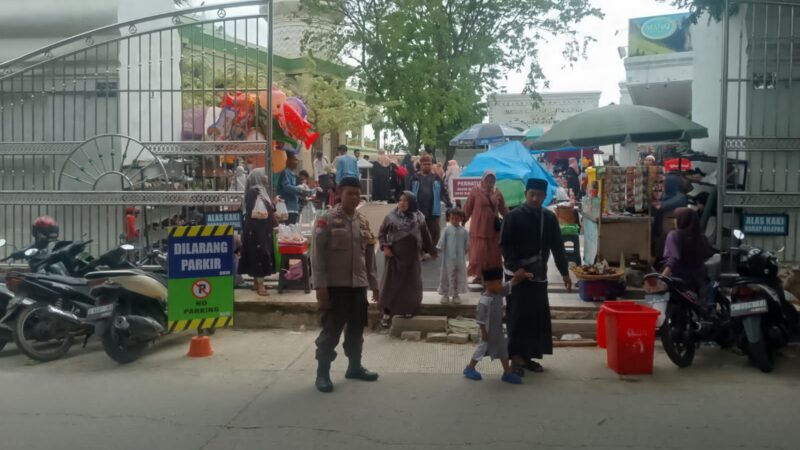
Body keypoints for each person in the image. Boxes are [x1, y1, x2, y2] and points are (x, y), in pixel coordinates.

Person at [312, 177, 380, 393]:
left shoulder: (362, 221)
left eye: (357, 194)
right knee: (331, 331)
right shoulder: (327, 219)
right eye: (350, 193)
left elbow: (368, 256)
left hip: (358, 285)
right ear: (340, 193)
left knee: (356, 329)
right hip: (335, 286)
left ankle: (354, 367)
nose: (354, 197)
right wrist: (320, 285)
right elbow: (317, 254)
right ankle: (322, 373)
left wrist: (374, 284)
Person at [501, 178, 573, 375]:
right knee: (517, 317)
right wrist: (516, 268)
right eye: (531, 194)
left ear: (544, 196)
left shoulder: (549, 218)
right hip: (517, 276)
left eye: (539, 195)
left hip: (538, 275)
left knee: (535, 318)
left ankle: (528, 357)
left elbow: (558, 247)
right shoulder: (513, 217)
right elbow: (505, 246)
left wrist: (565, 273)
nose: (534, 198)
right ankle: (515, 358)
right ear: (526, 194)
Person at [463, 267, 533, 385]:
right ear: (489, 283)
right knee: (482, 350)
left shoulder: (499, 293)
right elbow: (480, 319)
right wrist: (484, 332)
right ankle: (469, 368)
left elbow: (510, 284)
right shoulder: (484, 301)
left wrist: (521, 277)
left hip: (498, 330)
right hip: (488, 332)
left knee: (503, 350)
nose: (501, 285)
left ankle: (507, 372)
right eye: (499, 282)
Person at [378, 191, 437, 322]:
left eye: (406, 200)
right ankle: (387, 312)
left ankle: (408, 310)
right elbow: (381, 233)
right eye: (400, 200)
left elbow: (425, 235)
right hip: (395, 256)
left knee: (411, 285)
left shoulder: (419, 216)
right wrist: (386, 247)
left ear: (412, 202)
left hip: (413, 257)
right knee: (391, 284)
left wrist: (432, 251)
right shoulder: (390, 217)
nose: (402, 203)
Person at [239, 168, 277, 297]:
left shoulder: (261, 191)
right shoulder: (252, 192)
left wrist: (274, 204)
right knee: (260, 255)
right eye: (264, 175)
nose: (266, 177)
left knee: (260, 254)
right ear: (258, 177)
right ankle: (261, 285)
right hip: (256, 231)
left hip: (263, 230)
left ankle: (257, 283)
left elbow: (267, 209)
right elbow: (252, 211)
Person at [464, 171, 507, 283]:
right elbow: (467, 209)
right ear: (483, 179)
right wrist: (460, 221)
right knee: (478, 254)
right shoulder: (475, 191)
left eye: (492, 179)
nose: (490, 181)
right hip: (478, 228)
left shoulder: (497, 192)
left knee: (492, 254)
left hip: (493, 229)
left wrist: (513, 221)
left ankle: (490, 277)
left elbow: (504, 209)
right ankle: (479, 275)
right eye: (488, 179)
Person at [661, 208, 716, 294]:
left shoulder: (674, 236)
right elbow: (709, 254)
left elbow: (672, 261)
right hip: (699, 283)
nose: (674, 221)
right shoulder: (701, 238)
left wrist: (661, 279)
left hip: (680, 283)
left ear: (682, 220)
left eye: (676, 218)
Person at [409, 154, 452, 248]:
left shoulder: (436, 178)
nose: (427, 166)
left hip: (433, 210)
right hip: (418, 210)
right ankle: (421, 251)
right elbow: (408, 192)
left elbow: (443, 192)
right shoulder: (414, 178)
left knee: (435, 232)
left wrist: (448, 203)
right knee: (419, 231)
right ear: (421, 165)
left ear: (432, 165)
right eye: (425, 164)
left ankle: (430, 249)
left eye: (429, 164)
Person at [437, 208, 469, 304]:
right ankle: (445, 294)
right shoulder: (446, 230)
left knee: (458, 275)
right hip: (448, 258)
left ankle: (456, 294)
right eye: (452, 218)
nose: (454, 220)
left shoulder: (464, 232)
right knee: (446, 274)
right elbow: (441, 242)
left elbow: (467, 245)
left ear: (461, 218)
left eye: (457, 218)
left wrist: (465, 252)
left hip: (460, 259)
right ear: (449, 218)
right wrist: (438, 249)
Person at [277, 153, 306, 225]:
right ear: (288, 160)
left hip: (294, 207)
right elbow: (286, 187)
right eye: (294, 159)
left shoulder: (292, 174)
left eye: (297, 160)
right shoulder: (285, 172)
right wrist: (299, 189)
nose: (296, 162)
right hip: (287, 208)